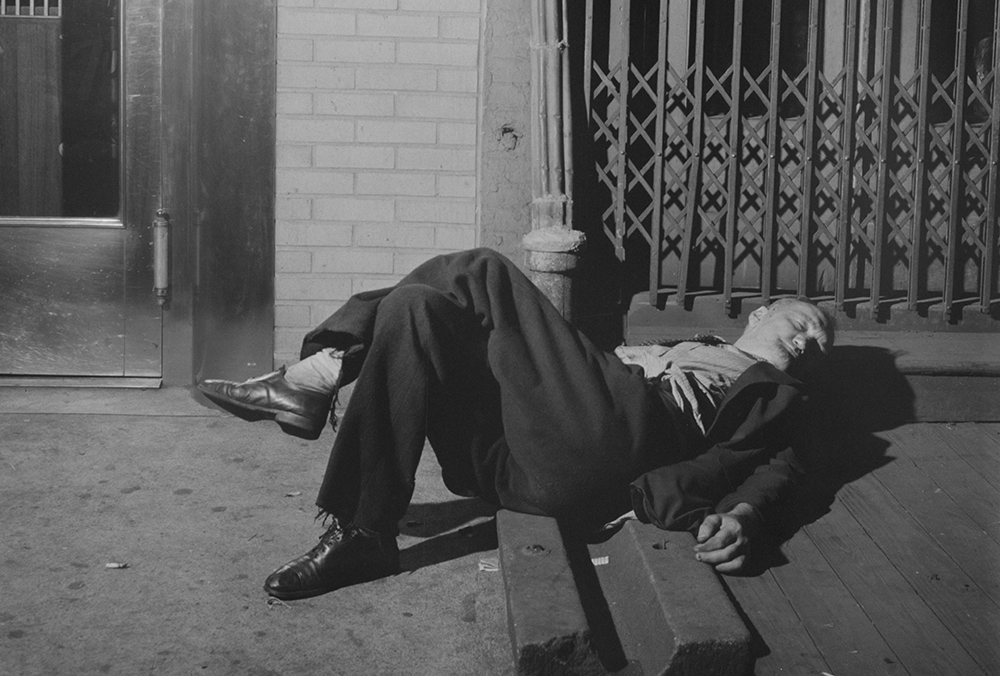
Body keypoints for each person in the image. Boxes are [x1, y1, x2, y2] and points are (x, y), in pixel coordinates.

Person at [199, 248, 833, 600]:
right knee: (414, 308)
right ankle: (365, 533)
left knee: (484, 271)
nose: (809, 344)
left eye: (819, 346)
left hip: (622, 433)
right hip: (530, 468)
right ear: (762, 313)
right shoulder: (698, 341)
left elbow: (788, 467)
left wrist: (747, 516)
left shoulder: (777, 396)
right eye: (803, 324)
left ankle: (316, 373)